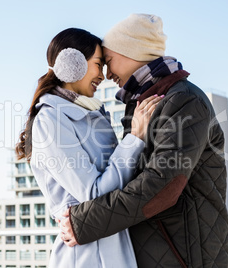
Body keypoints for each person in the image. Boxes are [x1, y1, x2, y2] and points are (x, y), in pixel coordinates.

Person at [59, 14, 228, 267]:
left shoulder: (183, 100)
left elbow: (163, 184)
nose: (107, 74)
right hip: (162, 251)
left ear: (130, 52)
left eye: (108, 61)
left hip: (185, 257)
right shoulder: (147, 103)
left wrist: (83, 222)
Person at [15, 28, 162, 268]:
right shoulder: (51, 120)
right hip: (86, 253)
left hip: (112, 241)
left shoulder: (91, 113)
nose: (102, 75)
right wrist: (135, 138)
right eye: (98, 64)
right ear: (73, 64)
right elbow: (92, 194)